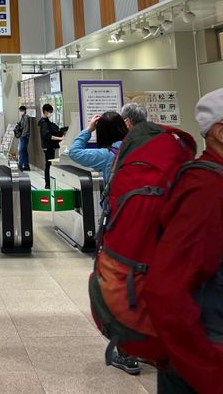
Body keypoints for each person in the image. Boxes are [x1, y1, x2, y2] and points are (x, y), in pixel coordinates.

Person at [142, 88, 223, 394]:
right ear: (220, 132)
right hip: (204, 364)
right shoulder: (206, 191)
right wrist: (207, 370)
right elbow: (166, 289)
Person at [68, 112, 139, 377]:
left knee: (116, 284)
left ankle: (127, 353)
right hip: (147, 225)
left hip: (118, 226)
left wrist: (87, 129)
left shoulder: (107, 156)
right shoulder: (141, 149)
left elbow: (75, 152)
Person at [68, 111, 128, 182]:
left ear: (101, 132)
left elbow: (74, 152)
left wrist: (89, 129)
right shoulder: (137, 145)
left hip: (120, 192)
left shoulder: (105, 155)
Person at [38, 103, 65, 189]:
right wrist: (59, 138)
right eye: (50, 112)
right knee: (48, 164)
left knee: (49, 164)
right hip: (48, 146)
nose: (51, 113)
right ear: (45, 111)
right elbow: (48, 136)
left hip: (49, 146)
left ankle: (49, 183)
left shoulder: (46, 121)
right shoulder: (44, 123)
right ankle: (48, 183)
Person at [15, 105, 31, 171]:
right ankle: (26, 165)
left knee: (21, 150)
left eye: (21, 111)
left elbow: (26, 128)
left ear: (24, 111)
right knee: (24, 151)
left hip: (24, 136)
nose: (20, 112)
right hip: (23, 136)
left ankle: (20, 165)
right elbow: (21, 126)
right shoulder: (22, 117)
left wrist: (22, 135)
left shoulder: (26, 117)